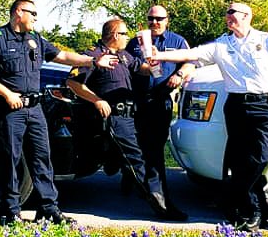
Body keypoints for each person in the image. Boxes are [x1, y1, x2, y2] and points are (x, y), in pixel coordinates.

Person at [0, 0, 118, 225]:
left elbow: (63, 56)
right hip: (10, 109)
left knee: (42, 158)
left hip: (35, 109)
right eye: (32, 13)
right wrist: (7, 94)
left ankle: (48, 208)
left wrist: (94, 61)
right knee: (10, 159)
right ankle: (10, 210)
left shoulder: (35, 39)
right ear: (18, 12)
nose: (35, 18)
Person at [150, 3, 268, 232]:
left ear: (247, 16)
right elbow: (191, 53)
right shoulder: (222, 44)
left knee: (261, 157)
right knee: (239, 160)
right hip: (235, 105)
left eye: (232, 12)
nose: (227, 16)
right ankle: (253, 213)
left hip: (263, 105)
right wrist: (161, 55)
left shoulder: (267, 40)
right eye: (226, 13)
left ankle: (235, 196)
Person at [67, 17, 182, 221]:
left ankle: (159, 198)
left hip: (132, 116)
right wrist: (97, 100)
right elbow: (73, 82)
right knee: (138, 161)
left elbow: (147, 70)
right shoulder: (93, 55)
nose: (127, 38)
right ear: (114, 35)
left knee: (146, 157)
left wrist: (153, 59)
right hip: (116, 118)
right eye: (124, 34)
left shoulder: (123, 56)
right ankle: (162, 207)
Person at [125, 5, 195, 218]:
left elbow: (191, 62)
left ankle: (158, 195)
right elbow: (124, 64)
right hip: (137, 101)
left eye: (159, 18)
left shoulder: (177, 41)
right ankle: (133, 180)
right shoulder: (135, 41)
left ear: (167, 20)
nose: (154, 22)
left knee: (154, 148)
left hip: (160, 100)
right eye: (151, 18)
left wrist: (180, 75)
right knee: (137, 145)